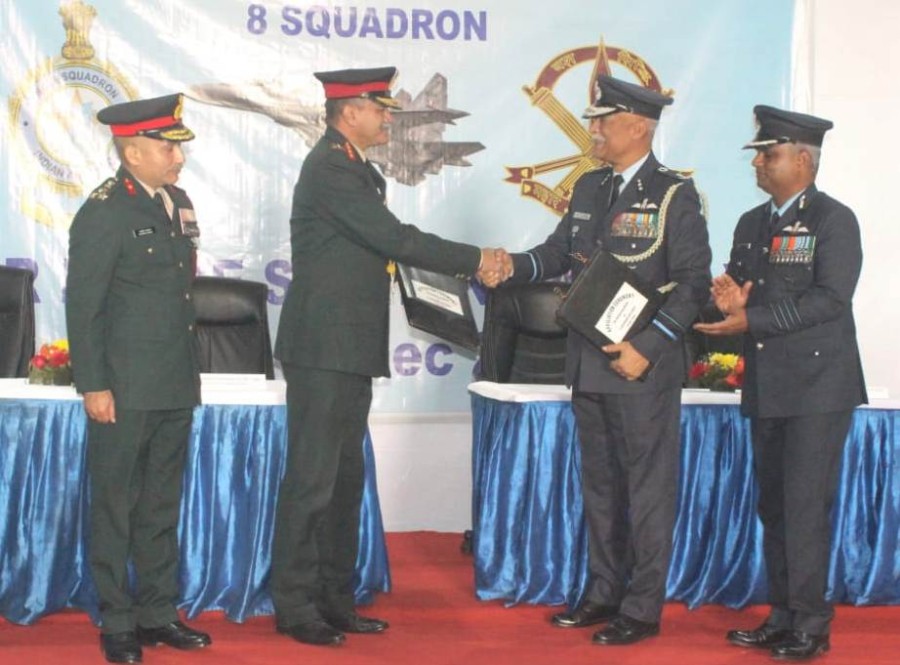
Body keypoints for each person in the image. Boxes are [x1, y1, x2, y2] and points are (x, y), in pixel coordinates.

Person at [271, 66, 505, 647]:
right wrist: (476, 259)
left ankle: (335, 599)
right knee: (312, 482)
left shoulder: (355, 167)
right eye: (379, 109)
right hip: (322, 348)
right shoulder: (330, 168)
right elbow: (395, 239)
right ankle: (295, 606)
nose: (387, 118)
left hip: (347, 346)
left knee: (344, 482)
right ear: (349, 112)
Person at [500, 75, 712, 645]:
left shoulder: (673, 194)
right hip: (588, 361)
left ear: (638, 126)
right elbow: (557, 254)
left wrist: (649, 347)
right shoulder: (591, 186)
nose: (592, 130)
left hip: (641, 366)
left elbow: (692, 285)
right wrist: (509, 266)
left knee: (646, 490)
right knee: (600, 487)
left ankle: (641, 608)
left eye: (602, 121)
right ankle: (603, 592)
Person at [695, 106, 866, 661]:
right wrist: (730, 302)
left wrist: (753, 319)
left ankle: (812, 625)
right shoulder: (751, 223)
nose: (758, 164)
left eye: (768, 155)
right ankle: (783, 615)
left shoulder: (834, 220)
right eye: (758, 155)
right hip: (768, 385)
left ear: (803, 160)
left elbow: (830, 299)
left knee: (804, 507)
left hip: (818, 389)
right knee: (774, 507)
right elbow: (744, 293)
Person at [65, 94, 211, 664]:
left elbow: (177, 295)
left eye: (178, 148)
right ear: (132, 152)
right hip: (123, 388)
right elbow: (85, 305)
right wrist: (93, 384)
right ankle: (118, 620)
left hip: (174, 379)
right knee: (115, 506)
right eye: (167, 148)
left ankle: (157, 611)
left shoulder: (178, 203)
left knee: (160, 505)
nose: (179, 158)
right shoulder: (105, 211)